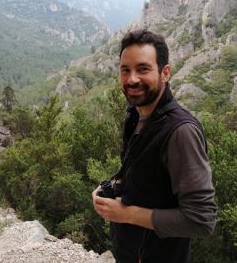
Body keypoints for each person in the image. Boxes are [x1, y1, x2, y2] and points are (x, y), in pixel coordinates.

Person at [92, 29, 217, 263]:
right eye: (125, 70)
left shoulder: (181, 132)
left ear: (165, 73)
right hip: (130, 252)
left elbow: (201, 220)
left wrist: (126, 214)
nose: (132, 79)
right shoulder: (135, 115)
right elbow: (144, 172)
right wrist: (112, 186)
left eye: (143, 69)